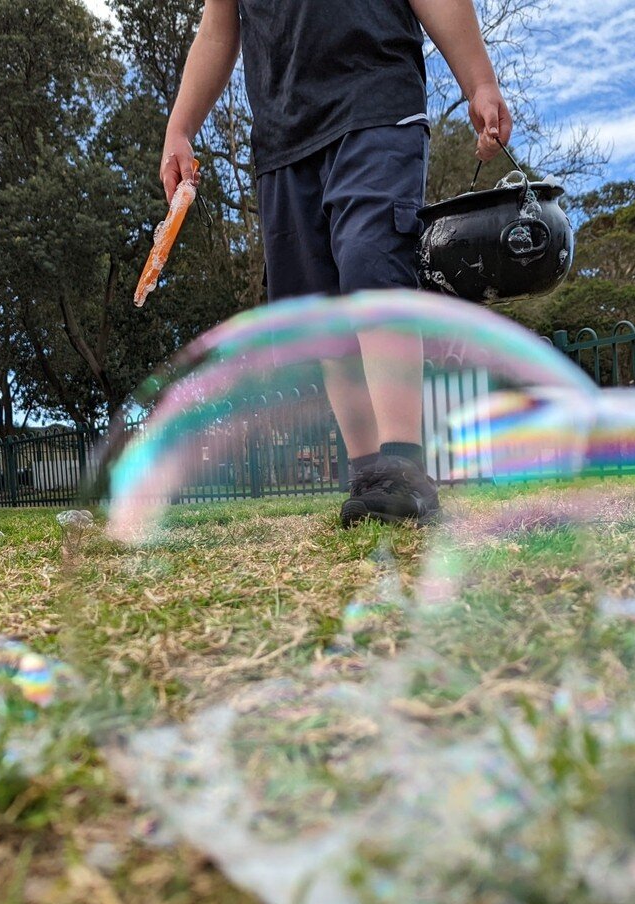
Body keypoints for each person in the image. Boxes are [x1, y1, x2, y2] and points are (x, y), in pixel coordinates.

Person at [160, 0, 512, 525]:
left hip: (376, 102)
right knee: (323, 315)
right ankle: (370, 473)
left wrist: (479, 81)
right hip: (284, 138)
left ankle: (404, 466)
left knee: (373, 267)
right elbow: (218, 30)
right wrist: (180, 126)